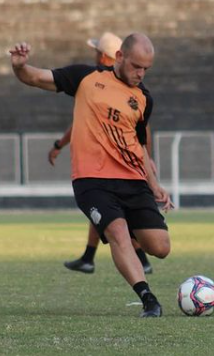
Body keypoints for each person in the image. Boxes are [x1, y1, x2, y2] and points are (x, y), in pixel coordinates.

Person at [10, 33, 172, 317]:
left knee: (160, 247)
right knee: (118, 232)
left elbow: (139, 144)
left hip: (132, 179)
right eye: (136, 66)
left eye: (146, 69)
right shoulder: (85, 77)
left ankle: (117, 232)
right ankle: (148, 299)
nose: (140, 74)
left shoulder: (144, 98)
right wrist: (20, 66)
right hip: (92, 180)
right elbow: (36, 78)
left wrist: (154, 183)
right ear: (119, 57)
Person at [47, 32, 153, 275]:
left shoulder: (120, 85)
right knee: (105, 211)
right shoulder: (95, 81)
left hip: (118, 163)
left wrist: (145, 162)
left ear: (105, 56)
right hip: (103, 165)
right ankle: (90, 257)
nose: (93, 54)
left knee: (118, 213)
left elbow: (141, 130)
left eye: (97, 51)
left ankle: (139, 258)